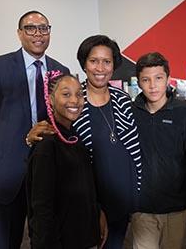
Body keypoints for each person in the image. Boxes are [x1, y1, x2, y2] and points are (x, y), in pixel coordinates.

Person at [26, 35, 142, 248]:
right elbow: (51, 134)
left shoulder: (123, 99)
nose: (100, 68)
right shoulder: (73, 100)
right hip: (89, 204)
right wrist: (30, 136)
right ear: (84, 64)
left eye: (106, 61)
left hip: (123, 199)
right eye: (93, 60)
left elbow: (135, 148)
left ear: (114, 65)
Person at [0, 10, 69, 248]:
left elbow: (63, 119)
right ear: (19, 33)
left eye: (44, 28)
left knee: (46, 238)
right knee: (6, 242)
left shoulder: (59, 70)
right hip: (5, 173)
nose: (38, 34)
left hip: (46, 172)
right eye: (30, 28)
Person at [130, 52, 186, 249]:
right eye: (146, 80)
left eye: (158, 78)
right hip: (141, 207)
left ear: (168, 79)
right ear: (138, 82)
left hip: (175, 207)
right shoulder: (131, 113)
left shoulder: (184, 112)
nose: (152, 85)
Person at [26, 71, 106, 248]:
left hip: (84, 235)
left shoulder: (74, 136)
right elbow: (41, 209)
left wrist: (97, 212)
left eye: (79, 94)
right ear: (51, 100)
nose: (75, 100)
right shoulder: (46, 145)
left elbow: (85, 187)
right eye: (66, 94)